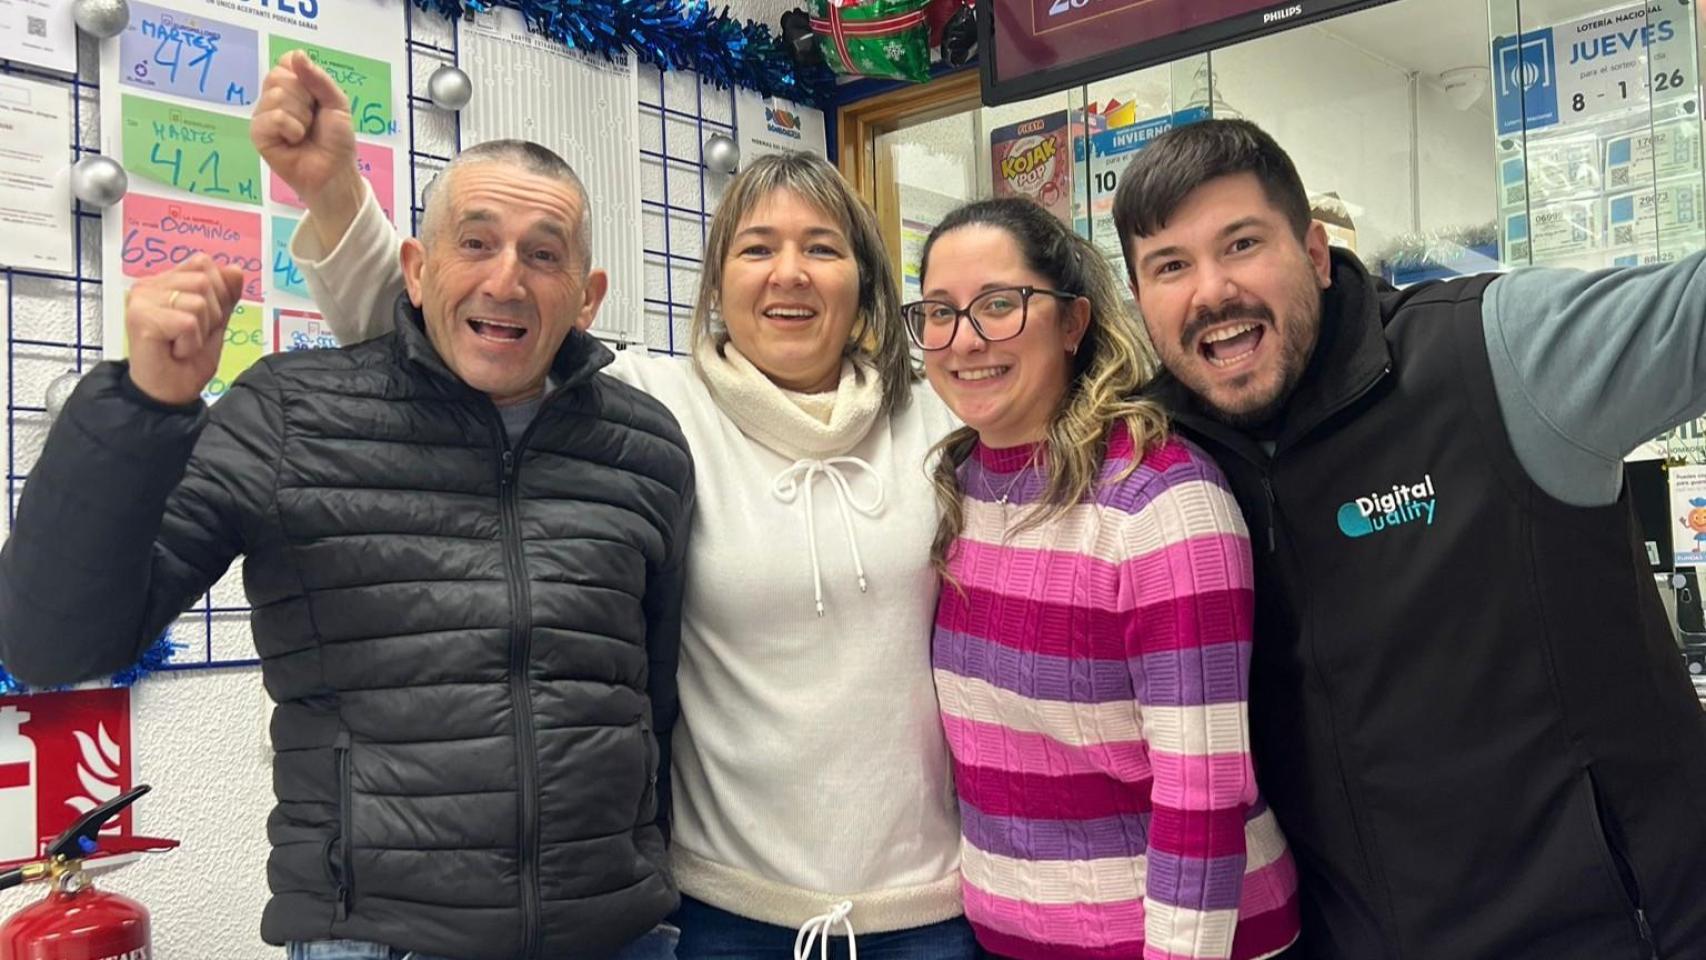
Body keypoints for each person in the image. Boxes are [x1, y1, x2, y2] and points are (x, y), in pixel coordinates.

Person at [256, 54, 973, 959]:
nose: (788, 274)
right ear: (717, 282)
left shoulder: (940, 419)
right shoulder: (648, 407)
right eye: (756, 248)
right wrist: (331, 194)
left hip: (928, 908)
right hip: (724, 908)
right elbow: (452, 329)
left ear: (865, 281)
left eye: (822, 248)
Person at [0, 139, 695, 960]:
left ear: (586, 297)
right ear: (416, 268)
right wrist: (140, 407)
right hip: (373, 937)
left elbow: (655, 695)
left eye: (543, 255)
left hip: (615, 935)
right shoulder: (294, 415)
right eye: (474, 242)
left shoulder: (644, 447)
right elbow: (54, 643)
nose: (506, 280)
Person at [1114, 117, 1706, 960]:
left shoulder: (1493, 355)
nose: (1210, 291)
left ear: (1315, 254)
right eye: (1170, 266)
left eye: (1241, 243)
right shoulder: (1162, 464)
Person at [911, 197, 1301, 960]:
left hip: (1186, 939)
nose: (966, 339)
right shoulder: (960, 487)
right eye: (938, 312)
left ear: (1072, 322)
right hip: (1014, 939)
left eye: (999, 304)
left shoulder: (1160, 499)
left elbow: (1204, 793)